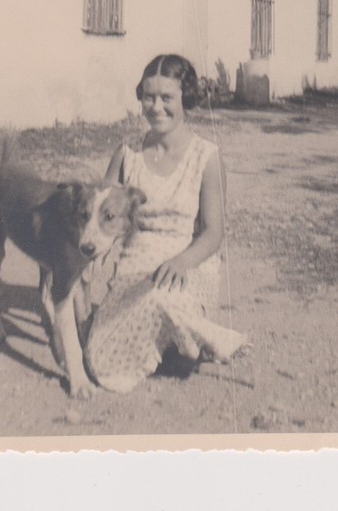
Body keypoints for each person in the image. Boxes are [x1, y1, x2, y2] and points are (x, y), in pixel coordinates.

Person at [84, 54, 248, 393]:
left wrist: (181, 261)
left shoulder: (206, 156)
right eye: (148, 96)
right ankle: (195, 338)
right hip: (136, 266)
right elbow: (103, 211)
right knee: (98, 357)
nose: (156, 107)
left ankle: (188, 335)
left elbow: (213, 233)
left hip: (188, 265)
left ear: (185, 98)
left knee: (160, 296)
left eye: (166, 97)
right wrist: (100, 248)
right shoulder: (128, 153)